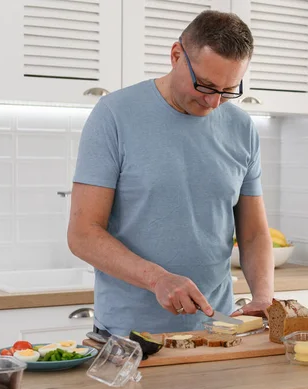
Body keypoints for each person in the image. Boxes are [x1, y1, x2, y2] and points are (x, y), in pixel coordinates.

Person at [68, 11, 274, 337]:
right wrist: (157, 278)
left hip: (217, 333)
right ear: (176, 55)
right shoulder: (113, 116)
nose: (214, 101)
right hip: (128, 337)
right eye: (205, 85)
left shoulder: (242, 128)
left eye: (228, 89)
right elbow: (82, 234)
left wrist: (263, 297)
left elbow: (253, 234)